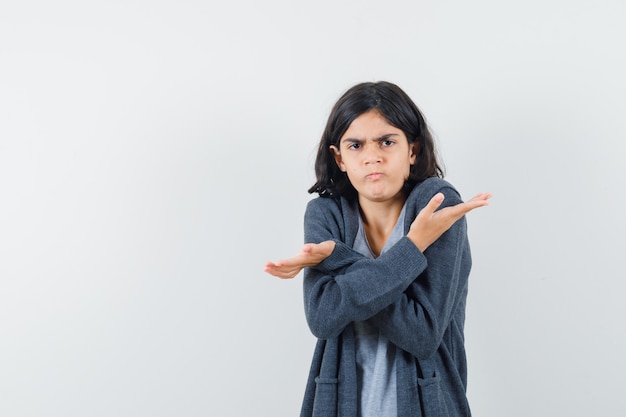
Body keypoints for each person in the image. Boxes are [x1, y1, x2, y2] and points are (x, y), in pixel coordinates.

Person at [265, 81, 491, 417]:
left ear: (412, 150)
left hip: (429, 405)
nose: (373, 157)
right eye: (356, 145)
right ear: (339, 158)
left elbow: (422, 334)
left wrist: (339, 258)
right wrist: (414, 246)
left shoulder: (438, 207)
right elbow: (323, 317)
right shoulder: (325, 214)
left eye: (387, 141)